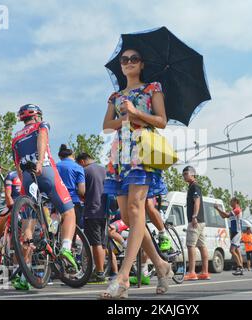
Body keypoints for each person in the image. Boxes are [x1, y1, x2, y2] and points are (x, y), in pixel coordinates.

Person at [100, 48, 173, 299]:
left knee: (135, 209)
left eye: (134, 59)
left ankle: (122, 278)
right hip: (119, 153)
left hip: (142, 150)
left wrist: (137, 113)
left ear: (141, 64)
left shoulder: (153, 87)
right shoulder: (115, 96)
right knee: (129, 218)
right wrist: (124, 117)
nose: (128, 62)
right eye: (124, 60)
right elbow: (106, 126)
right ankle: (161, 265)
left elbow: (162, 120)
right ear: (120, 66)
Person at [11, 104, 77, 290]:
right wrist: (40, 161)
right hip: (45, 171)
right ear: (37, 115)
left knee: (27, 227)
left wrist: (24, 183)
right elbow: (42, 138)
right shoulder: (42, 124)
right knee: (69, 211)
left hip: (26, 178)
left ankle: (24, 274)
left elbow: (17, 165)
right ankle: (65, 247)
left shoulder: (15, 137)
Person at [75, 152, 107, 284]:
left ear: (82, 161)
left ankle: (99, 273)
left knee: (95, 243)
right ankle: (100, 270)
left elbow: (82, 191)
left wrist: (80, 195)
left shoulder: (85, 171)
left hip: (92, 211)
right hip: (104, 210)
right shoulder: (103, 169)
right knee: (102, 243)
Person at [183, 166, 210, 281]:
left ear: (192, 174)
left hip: (195, 221)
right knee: (202, 245)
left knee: (190, 245)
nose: (184, 176)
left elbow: (197, 201)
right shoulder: (193, 186)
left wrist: (194, 216)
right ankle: (204, 272)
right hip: (200, 221)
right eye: (183, 174)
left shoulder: (194, 186)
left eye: (186, 174)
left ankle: (192, 272)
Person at [57, 145, 85, 229]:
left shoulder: (54, 166)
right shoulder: (78, 167)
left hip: (56, 201)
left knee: (55, 230)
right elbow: (81, 191)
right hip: (73, 201)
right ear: (72, 154)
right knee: (72, 230)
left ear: (60, 156)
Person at [215, 198, 244, 276]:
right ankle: (241, 268)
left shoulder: (237, 210)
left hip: (237, 232)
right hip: (234, 233)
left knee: (232, 250)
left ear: (235, 202)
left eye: (231, 202)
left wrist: (218, 208)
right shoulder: (234, 210)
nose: (230, 203)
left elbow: (227, 215)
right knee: (237, 251)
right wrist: (218, 210)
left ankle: (240, 267)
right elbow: (223, 216)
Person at [0, 170, 22, 241]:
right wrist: (14, 209)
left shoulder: (31, 176)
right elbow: (8, 195)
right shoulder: (11, 175)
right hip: (13, 203)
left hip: (25, 205)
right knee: (4, 214)